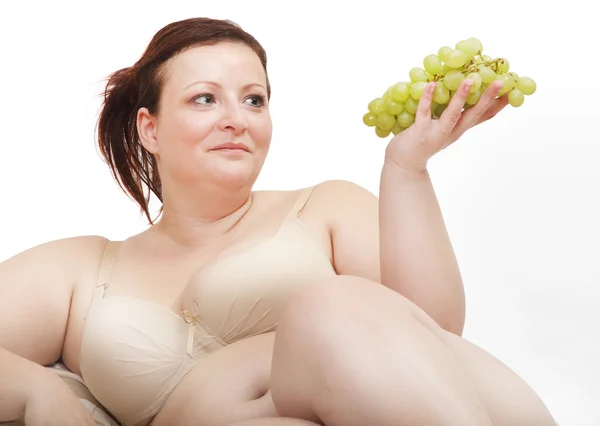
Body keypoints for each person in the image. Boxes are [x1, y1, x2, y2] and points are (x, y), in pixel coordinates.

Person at [0, 17, 557, 426]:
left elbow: (432, 333)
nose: (236, 120)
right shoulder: (80, 268)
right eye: (203, 100)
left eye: (254, 100)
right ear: (150, 129)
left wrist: (405, 168)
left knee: (330, 305)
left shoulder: (324, 208)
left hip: (413, 404)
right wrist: (37, 393)